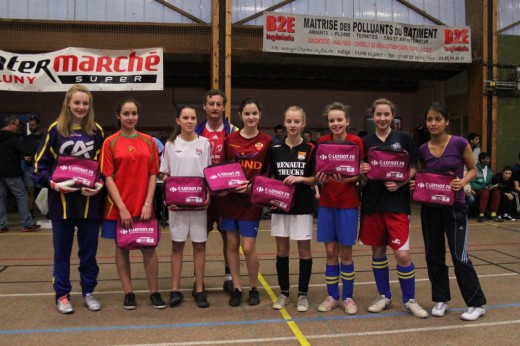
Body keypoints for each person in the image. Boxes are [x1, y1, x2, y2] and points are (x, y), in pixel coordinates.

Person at [34, 84, 103, 314]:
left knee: (89, 252)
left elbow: (103, 166)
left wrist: (100, 184)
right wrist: (53, 183)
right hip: (61, 204)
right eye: (77, 102)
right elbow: (39, 165)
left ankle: (88, 291)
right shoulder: (55, 130)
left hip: (88, 204)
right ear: (68, 103)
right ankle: (62, 295)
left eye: (85, 103)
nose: (81, 107)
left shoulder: (97, 131)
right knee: (62, 252)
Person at [415, 102, 486, 321]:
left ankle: (477, 303)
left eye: (437, 119)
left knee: (459, 255)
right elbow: (422, 177)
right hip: (430, 210)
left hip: (455, 207)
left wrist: (461, 182)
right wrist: (415, 185)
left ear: (446, 121)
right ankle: (440, 299)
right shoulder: (422, 149)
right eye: (429, 119)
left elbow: (473, 170)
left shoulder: (459, 143)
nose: (433, 123)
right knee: (433, 255)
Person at [358, 98, 428, 319]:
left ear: (393, 116)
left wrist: (400, 182)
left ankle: (409, 299)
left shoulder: (405, 138)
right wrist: (362, 169)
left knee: (402, 254)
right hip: (372, 204)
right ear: (372, 116)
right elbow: (359, 172)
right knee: (378, 253)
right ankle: (384, 296)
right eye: (378, 114)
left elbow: (415, 167)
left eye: (386, 114)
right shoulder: (365, 141)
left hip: (397, 204)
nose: (382, 118)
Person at [100, 98, 166, 310]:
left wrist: (148, 203)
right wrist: (121, 208)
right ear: (118, 115)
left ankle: (154, 292)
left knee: (149, 249)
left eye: (134, 113)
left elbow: (152, 174)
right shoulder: (109, 142)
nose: (130, 117)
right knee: (122, 248)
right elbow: (108, 177)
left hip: (144, 205)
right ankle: (128, 292)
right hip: (118, 207)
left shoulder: (149, 142)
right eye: (126, 114)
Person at [221, 97, 272, 307]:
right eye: (247, 113)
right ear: (240, 116)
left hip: (251, 202)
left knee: (248, 247)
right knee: (231, 245)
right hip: (230, 201)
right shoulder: (229, 139)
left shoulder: (267, 141)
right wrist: (225, 185)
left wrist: (252, 187)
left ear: (260, 115)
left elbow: (268, 172)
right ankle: (237, 287)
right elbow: (223, 169)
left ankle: (253, 287)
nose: (251, 117)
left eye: (254, 113)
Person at [160, 105, 212, 308]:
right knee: (177, 246)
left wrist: (209, 195)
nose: (189, 121)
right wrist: (168, 193)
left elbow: (209, 174)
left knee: (199, 245)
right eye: (185, 117)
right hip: (177, 206)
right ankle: (174, 290)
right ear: (178, 120)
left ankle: (199, 289)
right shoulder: (170, 144)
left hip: (199, 205)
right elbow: (165, 173)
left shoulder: (205, 143)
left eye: (192, 118)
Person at [315, 102, 363, 315]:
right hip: (327, 204)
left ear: (347, 121)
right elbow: (317, 171)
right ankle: (332, 296)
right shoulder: (323, 142)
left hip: (348, 204)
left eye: (339, 120)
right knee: (330, 251)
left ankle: (348, 297)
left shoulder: (356, 142)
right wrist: (320, 180)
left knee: (346, 252)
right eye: (332, 120)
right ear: (328, 123)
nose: (336, 123)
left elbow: (362, 173)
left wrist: (347, 180)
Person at [269, 106, 316, 312]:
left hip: (303, 206)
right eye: (289, 121)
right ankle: (284, 292)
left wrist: (301, 179)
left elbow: (316, 178)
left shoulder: (311, 149)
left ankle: (303, 294)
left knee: (304, 250)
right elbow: (269, 177)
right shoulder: (275, 149)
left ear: (303, 123)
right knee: (282, 250)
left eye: (297, 121)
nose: (293, 125)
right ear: (284, 123)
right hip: (280, 206)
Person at [194, 89, 239, 294]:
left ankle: (229, 276)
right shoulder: (194, 131)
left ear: (224, 107)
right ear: (204, 106)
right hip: (201, 194)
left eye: (219, 104)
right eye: (211, 104)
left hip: (226, 195)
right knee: (199, 237)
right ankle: (199, 280)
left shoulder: (234, 131)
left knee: (228, 238)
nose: (215, 108)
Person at [0, 116, 40, 233]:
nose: (19, 128)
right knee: (22, 196)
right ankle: (26, 223)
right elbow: (24, 150)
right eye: (17, 125)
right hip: (11, 172)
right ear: (11, 124)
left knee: (1, 199)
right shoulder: (13, 137)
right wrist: (25, 155)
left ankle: (1, 225)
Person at [21, 115, 44, 216]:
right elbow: (19, 151)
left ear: (38, 125)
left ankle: (46, 211)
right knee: (30, 190)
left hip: (40, 167)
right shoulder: (26, 138)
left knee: (43, 190)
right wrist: (23, 157)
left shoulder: (43, 137)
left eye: (33, 125)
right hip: (29, 167)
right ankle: (30, 212)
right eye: (30, 125)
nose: (31, 127)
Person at [470, 152, 502, 222]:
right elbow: (471, 182)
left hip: (486, 189)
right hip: (476, 190)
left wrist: (493, 186)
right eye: (487, 159)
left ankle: (493, 214)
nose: (489, 160)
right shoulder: (475, 168)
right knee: (485, 193)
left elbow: (489, 183)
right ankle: (481, 214)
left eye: (489, 159)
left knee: (496, 192)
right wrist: (482, 187)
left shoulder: (489, 171)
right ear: (482, 160)